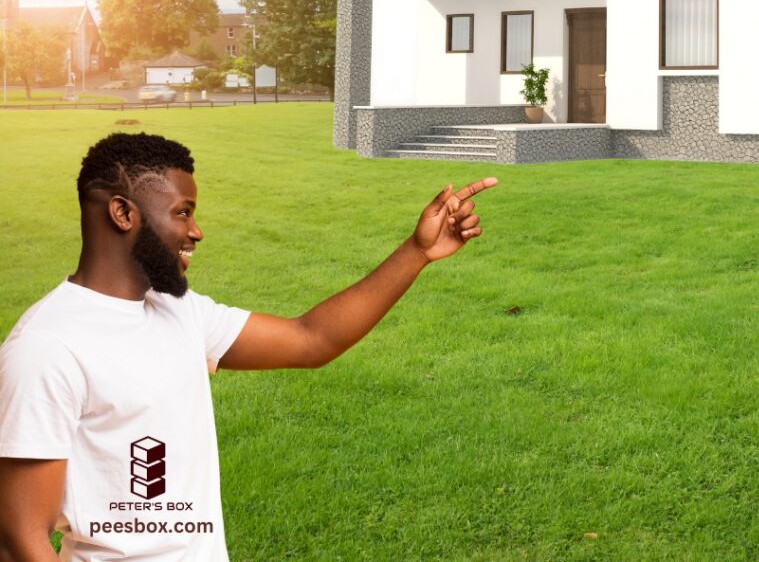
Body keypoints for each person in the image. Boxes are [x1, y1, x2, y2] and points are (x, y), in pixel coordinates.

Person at [0, 132, 497, 561]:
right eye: (182, 212)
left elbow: (311, 340)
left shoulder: (178, 311)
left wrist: (418, 253)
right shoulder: (47, 347)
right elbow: (20, 538)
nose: (196, 231)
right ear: (123, 213)